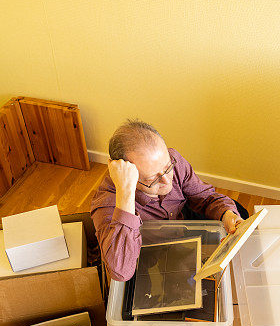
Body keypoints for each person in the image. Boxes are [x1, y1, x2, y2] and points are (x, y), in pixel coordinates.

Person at [91, 119, 249, 281]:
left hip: (184, 226)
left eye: (167, 168)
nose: (167, 181)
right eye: (153, 179)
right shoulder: (106, 202)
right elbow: (121, 272)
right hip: (153, 254)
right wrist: (125, 194)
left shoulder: (173, 159)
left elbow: (205, 197)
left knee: (237, 209)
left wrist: (228, 214)